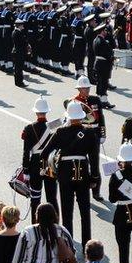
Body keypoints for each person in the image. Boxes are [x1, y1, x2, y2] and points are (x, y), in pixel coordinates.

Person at [40, 101, 100, 243]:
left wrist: (54, 163)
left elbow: (44, 152)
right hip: (83, 172)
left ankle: (68, 242)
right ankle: (87, 243)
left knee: (67, 213)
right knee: (85, 212)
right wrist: (94, 177)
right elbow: (94, 158)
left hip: (65, 173)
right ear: (81, 116)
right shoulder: (89, 132)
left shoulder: (60, 131)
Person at [21, 97, 58, 218]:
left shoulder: (29, 128)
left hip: (35, 165)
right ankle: (55, 225)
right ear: (47, 111)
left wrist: (26, 170)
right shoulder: (54, 126)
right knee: (52, 198)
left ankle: (35, 226)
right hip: (49, 164)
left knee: (35, 199)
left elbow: (26, 151)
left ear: (36, 112)